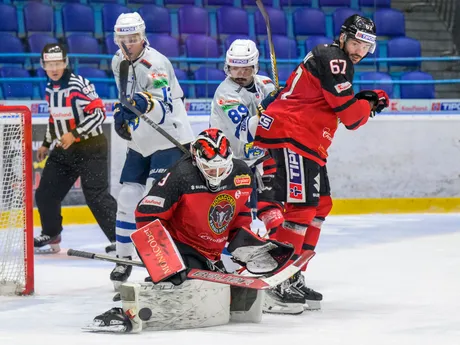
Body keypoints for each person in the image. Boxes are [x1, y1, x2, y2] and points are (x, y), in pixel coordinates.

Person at [87, 129, 295, 333]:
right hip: (180, 246)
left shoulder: (242, 174)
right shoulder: (180, 175)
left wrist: (250, 248)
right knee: (189, 289)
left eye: (222, 169)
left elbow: (238, 219)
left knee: (215, 292)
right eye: (210, 169)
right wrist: (164, 262)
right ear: (197, 161)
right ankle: (126, 309)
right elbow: (146, 215)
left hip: (210, 252)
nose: (216, 175)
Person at [254, 15, 390, 313]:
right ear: (343, 37)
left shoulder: (335, 59)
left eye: (366, 46)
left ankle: (294, 274)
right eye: (355, 42)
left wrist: (361, 102)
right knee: (300, 208)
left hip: (306, 141)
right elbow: (352, 118)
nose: (359, 50)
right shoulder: (334, 57)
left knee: (321, 204)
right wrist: (370, 104)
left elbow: (337, 106)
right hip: (290, 136)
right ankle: (277, 280)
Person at [110, 12, 195, 288]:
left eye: (133, 39)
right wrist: (123, 115)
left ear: (142, 36)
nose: (129, 45)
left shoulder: (156, 63)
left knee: (152, 202)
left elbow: (164, 109)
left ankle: (164, 262)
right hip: (141, 139)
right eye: (124, 40)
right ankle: (123, 260)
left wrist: (144, 103)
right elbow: (125, 96)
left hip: (169, 136)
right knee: (126, 197)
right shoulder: (117, 61)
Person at [33, 43, 117, 253]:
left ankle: (121, 239)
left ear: (66, 63)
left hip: (91, 147)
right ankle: (52, 233)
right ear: (43, 65)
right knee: (45, 193)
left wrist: (74, 134)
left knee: (96, 195)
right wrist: (45, 143)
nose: (54, 68)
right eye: (50, 64)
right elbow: (55, 118)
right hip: (65, 147)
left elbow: (99, 114)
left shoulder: (79, 85)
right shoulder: (49, 89)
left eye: (58, 63)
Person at [210, 39, 284, 236]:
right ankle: (228, 259)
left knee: (271, 205)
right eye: (235, 68)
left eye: (246, 68)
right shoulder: (225, 94)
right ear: (228, 67)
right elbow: (245, 130)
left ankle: (282, 249)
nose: (240, 74)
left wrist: (285, 99)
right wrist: (268, 106)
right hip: (229, 162)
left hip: (259, 159)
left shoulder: (266, 84)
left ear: (255, 67)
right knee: (235, 216)